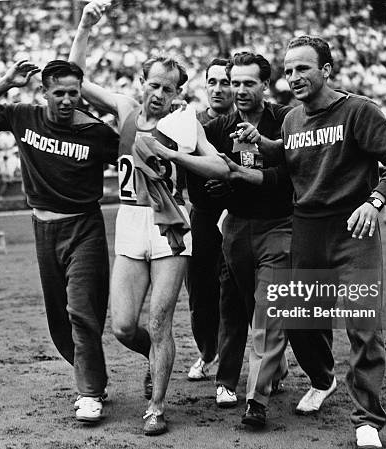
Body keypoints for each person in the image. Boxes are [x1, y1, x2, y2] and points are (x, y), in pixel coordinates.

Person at [224, 36, 386, 448]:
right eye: (289, 70)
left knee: (364, 326)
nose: (293, 77)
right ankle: (323, 379)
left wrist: (375, 200)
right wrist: (263, 143)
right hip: (307, 230)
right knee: (299, 322)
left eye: (303, 68)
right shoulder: (293, 119)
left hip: (353, 230)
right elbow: (292, 155)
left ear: (326, 70)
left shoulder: (358, 111)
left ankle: (366, 419)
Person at [69, 0, 229, 436]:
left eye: (169, 89)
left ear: (178, 93)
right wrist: (84, 26)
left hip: (171, 228)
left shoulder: (185, 122)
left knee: (160, 321)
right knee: (122, 325)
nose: (159, 94)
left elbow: (220, 168)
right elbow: (75, 81)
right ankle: (153, 358)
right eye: (154, 85)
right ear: (142, 83)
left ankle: (156, 406)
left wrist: (176, 154)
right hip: (129, 226)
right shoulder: (124, 110)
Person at [0, 59, 120, 423]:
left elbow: (133, 158)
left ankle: (90, 393)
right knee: (59, 322)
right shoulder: (23, 116)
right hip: (43, 230)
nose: (66, 100)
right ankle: (93, 375)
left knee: (82, 311)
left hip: (85, 229)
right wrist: (5, 81)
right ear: (44, 91)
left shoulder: (96, 132)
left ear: (82, 94)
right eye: (59, 93)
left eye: (73, 93)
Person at [203, 51, 293, 427]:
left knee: (267, 311)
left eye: (247, 83)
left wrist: (250, 177)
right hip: (237, 229)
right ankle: (274, 364)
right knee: (243, 304)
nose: (239, 90)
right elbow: (202, 176)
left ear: (265, 85)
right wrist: (217, 188)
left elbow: (296, 173)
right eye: (233, 82)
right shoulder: (218, 127)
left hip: (278, 226)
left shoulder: (286, 120)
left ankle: (256, 401)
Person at [185, 57, 236, 383]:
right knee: (200, 296)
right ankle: (208, 353)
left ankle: (270, 361)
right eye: (213, 81)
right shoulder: (190, 122)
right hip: (202, 219)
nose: (218, 88)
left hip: (240, 217)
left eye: (226, 82)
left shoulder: (248, 123)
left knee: (243, 294)